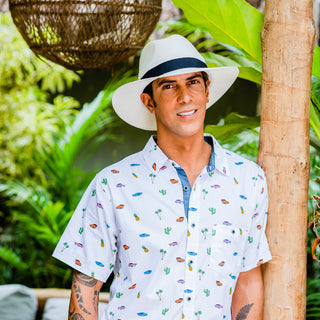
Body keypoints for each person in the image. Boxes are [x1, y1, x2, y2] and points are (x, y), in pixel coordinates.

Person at [53, 34, 272, 320]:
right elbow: (85, 290)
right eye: (169, 86)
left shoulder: (249, 181)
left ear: (207, 89)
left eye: (193, 81)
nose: (185, 96)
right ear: (149, 101)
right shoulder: (112, 186)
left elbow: (247, 279)